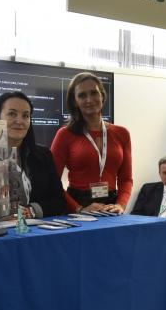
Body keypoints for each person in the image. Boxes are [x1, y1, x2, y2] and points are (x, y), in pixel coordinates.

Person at [51, 71, 133, 214]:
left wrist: (121, 205)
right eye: (82, 95)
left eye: (94, 93)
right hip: (78, 206)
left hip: (112, 206)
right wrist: (79, 208)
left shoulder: (122, 133)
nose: (89, 99)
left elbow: (126, 179)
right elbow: (51, 180)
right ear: (75, 101)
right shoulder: (65, 134)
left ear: (102, 96)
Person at [0, 90, 68, 218]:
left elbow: (59, 202)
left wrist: (30, 211)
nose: (19, 121)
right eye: (12, 114)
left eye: (25, 116)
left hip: (34, 227)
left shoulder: (43, 155)